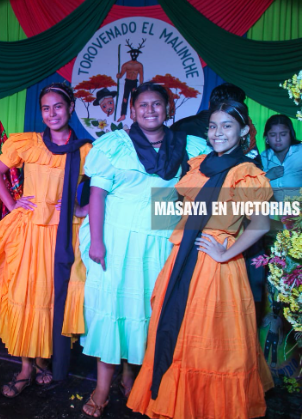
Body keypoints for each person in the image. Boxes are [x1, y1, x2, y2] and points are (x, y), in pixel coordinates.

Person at [127, 100, 274, 419]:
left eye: (227, 126)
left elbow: (261, 224)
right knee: (179, 336)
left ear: (244, 131)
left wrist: (225, 249)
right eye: (213, 126)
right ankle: (177, 407)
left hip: (215, 265)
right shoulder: (198, 164)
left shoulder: (245, 172)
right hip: (184, 256)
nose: (218, 132)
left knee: (210, 343)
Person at [78, 82, 210, 417]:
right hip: (116, 239)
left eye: (157, 105)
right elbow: (97, 195)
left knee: (149, 313)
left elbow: (199, 191)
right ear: (132, 111)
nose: (150, 111)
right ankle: (102, 388)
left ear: (169, 109)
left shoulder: (187, 145)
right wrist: (96, 241)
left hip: (160, 241)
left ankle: (133, 376)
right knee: (113, 310)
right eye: (143, 105)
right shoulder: (114, 146)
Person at [0, 83, 91, 397]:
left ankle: (43, 362)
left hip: (62, 233)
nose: (52, 113)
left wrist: (79, 208)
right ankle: (26, 368)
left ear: (70, 108)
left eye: (58, 107)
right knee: (27, 295)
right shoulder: (28, 143)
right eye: (46, 108)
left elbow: (100, 189)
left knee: (52, 298)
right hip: (29, 231)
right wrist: (14, 203)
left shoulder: (85, 151)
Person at [260, 114, 302, 202]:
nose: (278, 139)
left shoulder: (299, 152)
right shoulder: (263, 157)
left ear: (291, 135)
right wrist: (267, 177)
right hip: (272, 213)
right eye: (272, 135)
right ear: (267, 138)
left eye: (283, 134)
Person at [116, 39, 145, 122]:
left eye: (136, 54)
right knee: (125, 98)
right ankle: (123, 115)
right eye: (133, 53)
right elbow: (121, 75)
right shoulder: (126, 65)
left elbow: (141, 76)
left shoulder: (139, 65)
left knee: (133, 99)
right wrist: (118, 75)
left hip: (134, 82)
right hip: (127, 82)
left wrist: (141, 85)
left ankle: (132, 114)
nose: (134, 55)